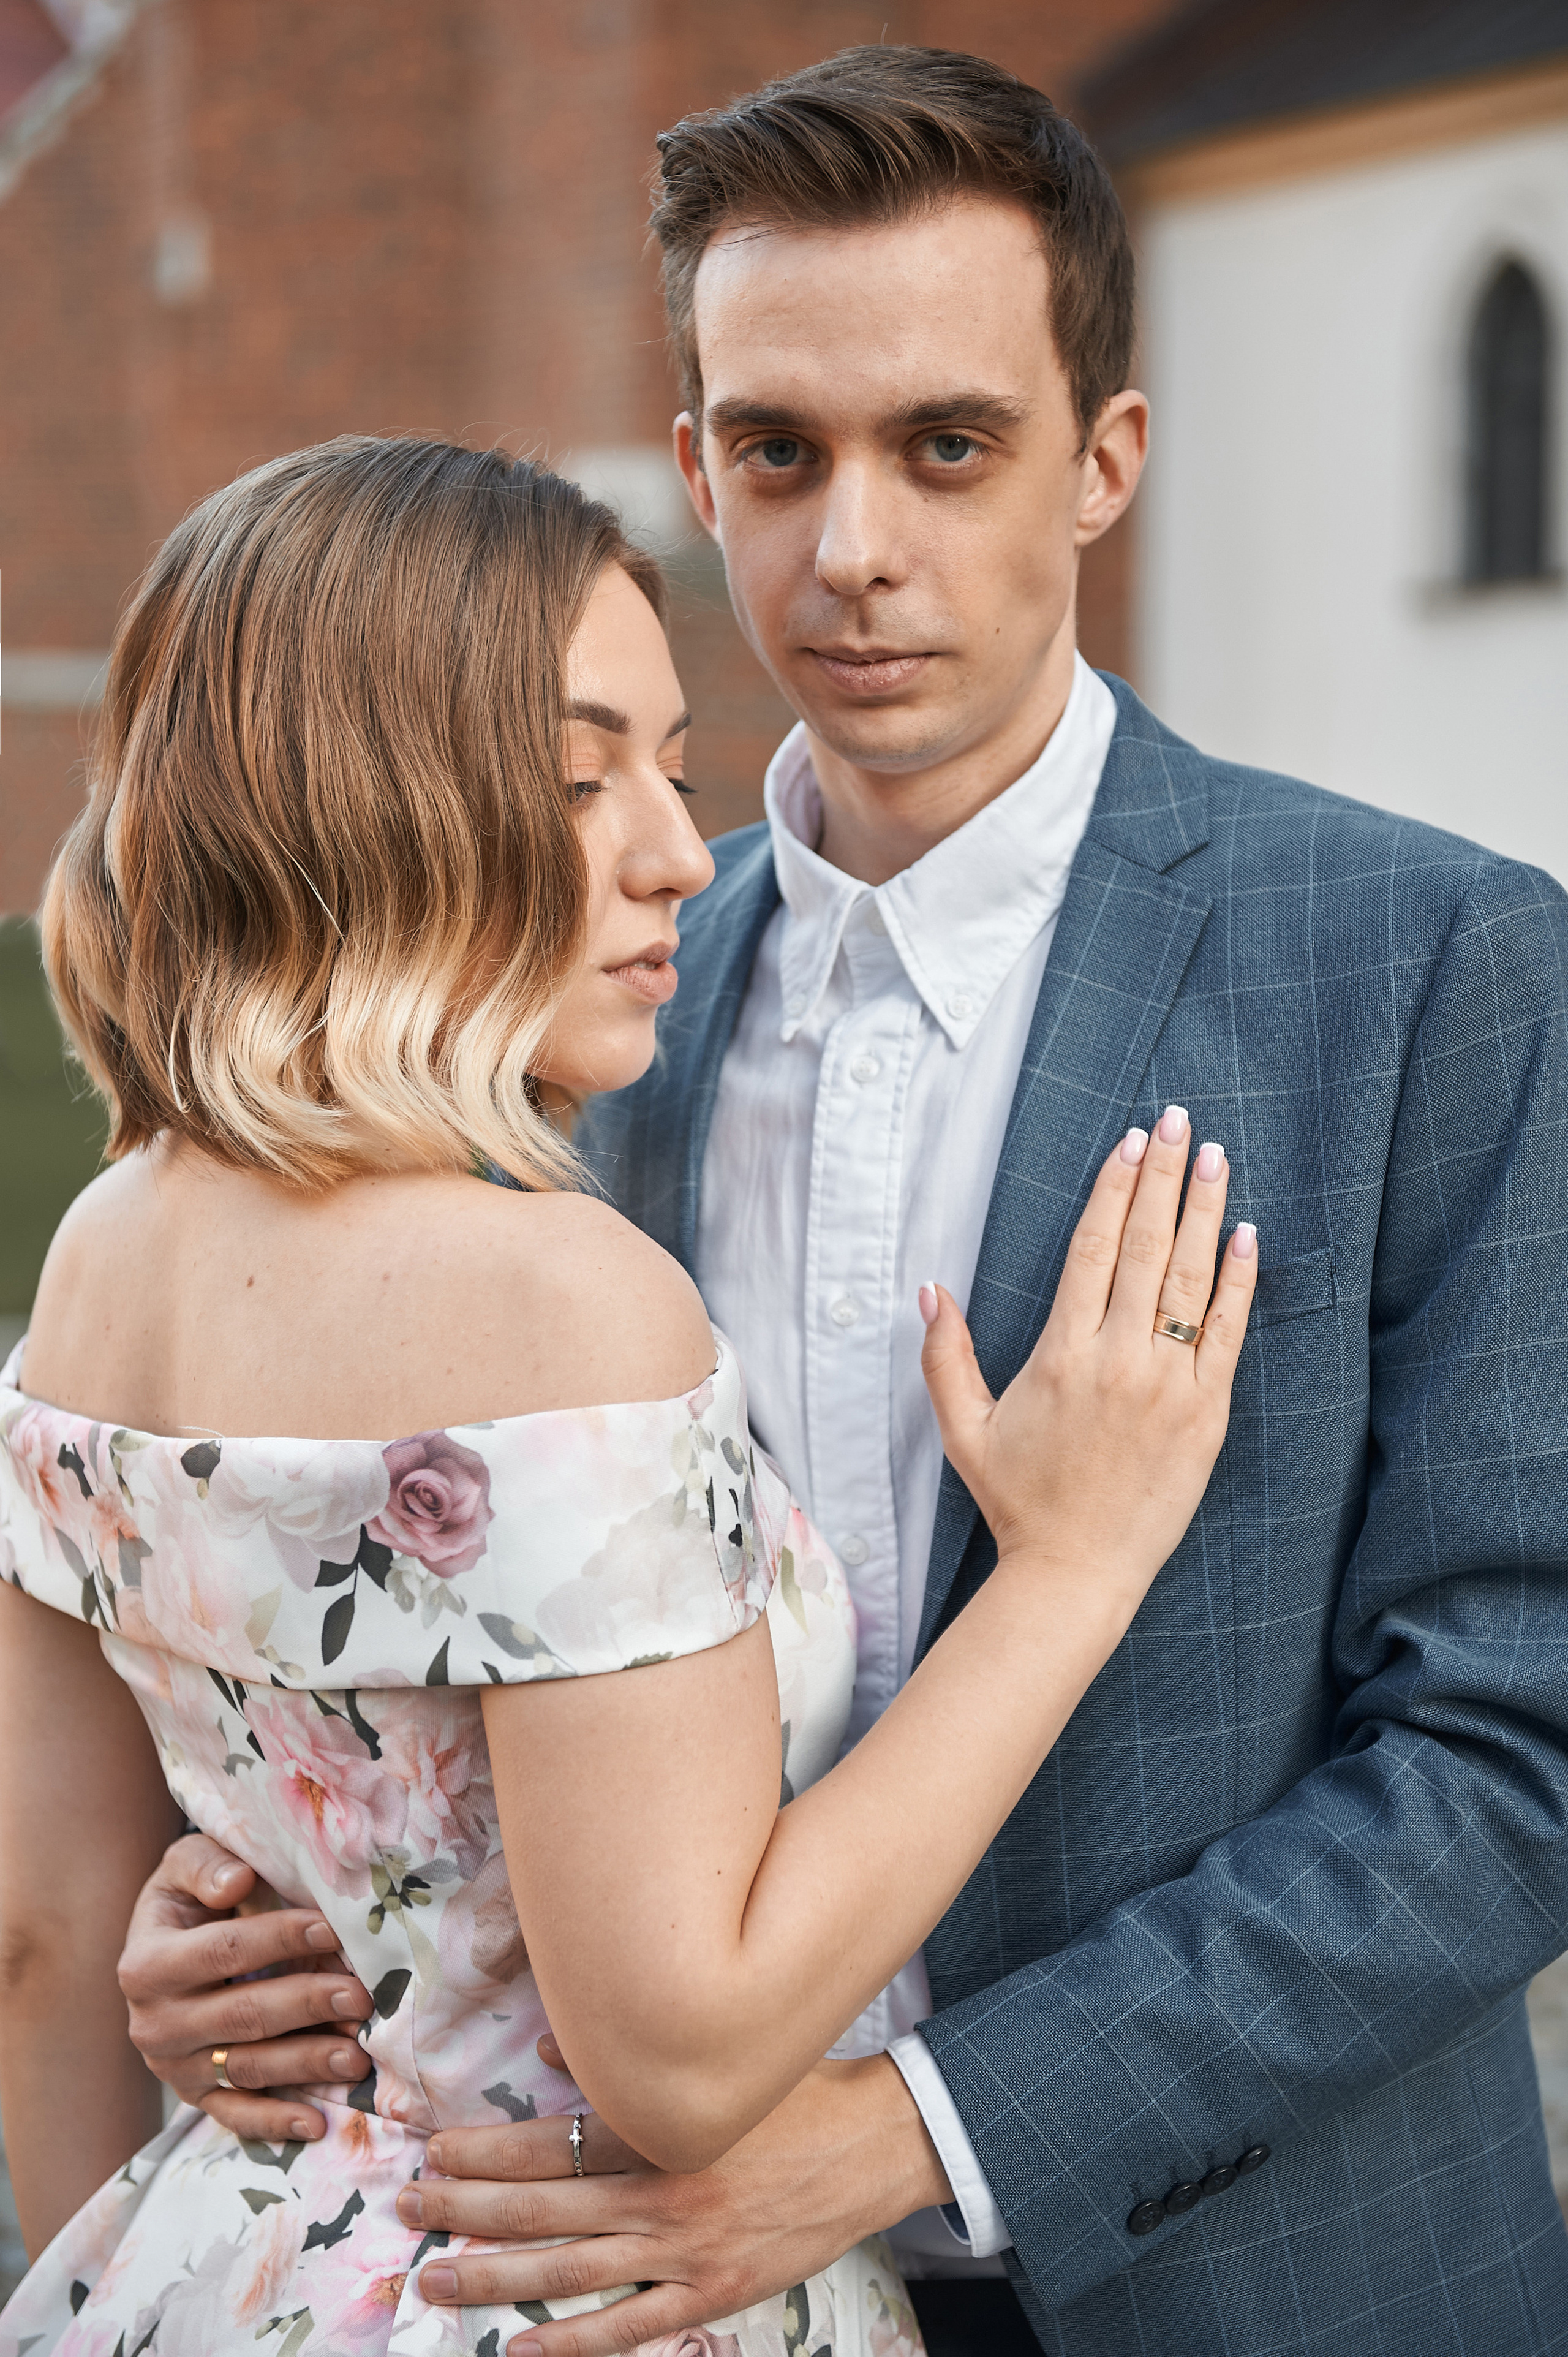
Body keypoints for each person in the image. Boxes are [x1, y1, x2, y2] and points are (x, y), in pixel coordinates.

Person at [120, 43, 1568, 2357]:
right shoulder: (560, 1036)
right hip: (629, 2295)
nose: (855, 545)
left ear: (1102, 463)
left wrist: (914, 2131)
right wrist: (244, 1902)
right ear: (693, 464)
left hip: (1270, 2282)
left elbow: (1515, 1756)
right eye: (780, 452)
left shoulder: (1441, 969)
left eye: (950, 447)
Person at [0, 432, 1255, 2357]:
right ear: (366, 804)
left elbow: (41, 1945)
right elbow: (678, 2055)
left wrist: (111, 2282)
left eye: (670, 765)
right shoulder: (559, 1299)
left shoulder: (94, 1252)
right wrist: (1073, 1569)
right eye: (584, 777)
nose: (681, 846)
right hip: (574, 2301)